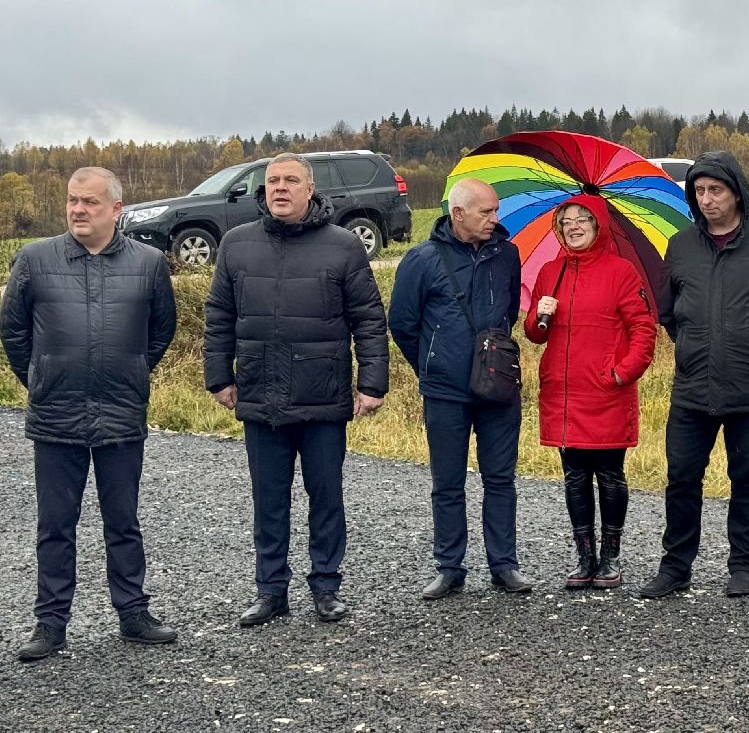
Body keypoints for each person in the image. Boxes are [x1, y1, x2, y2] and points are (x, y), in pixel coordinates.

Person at [203, 153, 389, 627]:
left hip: (323, 394)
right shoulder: (236, 245)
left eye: (290, 181)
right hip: (261, 394)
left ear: (310, 189)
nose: (279, 188)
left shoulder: (344, 246)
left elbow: (368, 320)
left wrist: (371, 383)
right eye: (272, 182)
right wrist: (219, 377)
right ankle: (271, 591)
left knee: (326, 496)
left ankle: (326, 586)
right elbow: (219, 317)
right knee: (269, 499)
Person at [1, 168, 178, 662]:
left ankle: (134, 614)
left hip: (121, 415)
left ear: (116, 209)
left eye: (90, 202)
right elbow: (14, 333)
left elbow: (160, 331)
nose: (78, 209)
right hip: (56, 417)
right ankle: (51, 623)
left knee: (123, 522)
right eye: (72, 201)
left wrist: (132, 373)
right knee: (55, 525)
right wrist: (41, 378)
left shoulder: (148, 264)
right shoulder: (36, 259)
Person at [640, 151, 749, 599]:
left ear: (736, 192)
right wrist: (695, 346)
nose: (707, 199)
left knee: (747, 476)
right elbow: (668, 311)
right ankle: (675, 567)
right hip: (693, 384)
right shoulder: (680, 245)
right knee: (681, 478)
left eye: (716, 190)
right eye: (699, 191)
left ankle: (743, 566)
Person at [389, 178, 532, 597]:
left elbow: (508, 311)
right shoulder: (421, 259)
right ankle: (450, 567)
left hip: (498, 387)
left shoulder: (507, 254)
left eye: (495, 210)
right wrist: (433, 365)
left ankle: (504, 565)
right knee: (447, 482)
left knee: (500, 478)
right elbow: (402, 323)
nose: (495, 219)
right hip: (445, 391)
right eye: (486, 212)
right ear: (458, 214)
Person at [523, 195, 657, 588]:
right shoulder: (551, 272)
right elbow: (535, 335)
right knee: (575, 477)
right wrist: (539, 314)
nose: (574, 227)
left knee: (610, 476)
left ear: (598, 226)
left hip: (606, 392)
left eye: (583, 219)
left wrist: (621, 373)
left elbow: (644, 330)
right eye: (566, 221)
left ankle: (610, 557)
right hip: (565, 393)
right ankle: (585, 558)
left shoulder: (622, 272)